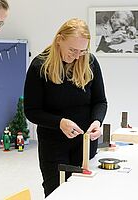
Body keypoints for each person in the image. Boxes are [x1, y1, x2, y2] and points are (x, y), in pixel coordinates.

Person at [24, 18, 107, 197]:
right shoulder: (40, 66)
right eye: (72, 50)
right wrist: (60, 122)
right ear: (59, 39)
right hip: (53, 145)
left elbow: (100, 101)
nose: (77, 56)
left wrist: (96, 121)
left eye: (82, 51)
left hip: (84, 144)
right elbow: (31, 111)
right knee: (56, 192)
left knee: (82, 193)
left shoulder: (90, 62)